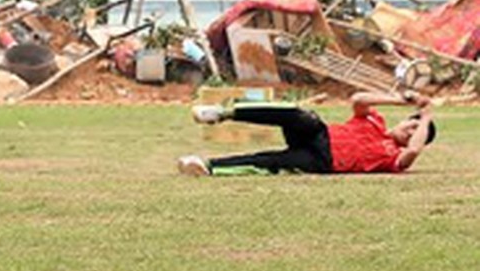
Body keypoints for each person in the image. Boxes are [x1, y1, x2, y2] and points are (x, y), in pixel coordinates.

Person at [178, 90, 437, 176]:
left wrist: (426, 117)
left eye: (418, 132)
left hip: (322, 162)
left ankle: (207, 166)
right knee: (299, 115)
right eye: (411, 125)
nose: (411, 131)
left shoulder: (395, 158)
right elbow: (358, 98)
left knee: (271, 162)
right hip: (319, 135)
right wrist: (402, 100)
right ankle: (222, 114)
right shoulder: (374, 121)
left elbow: (413, 150)